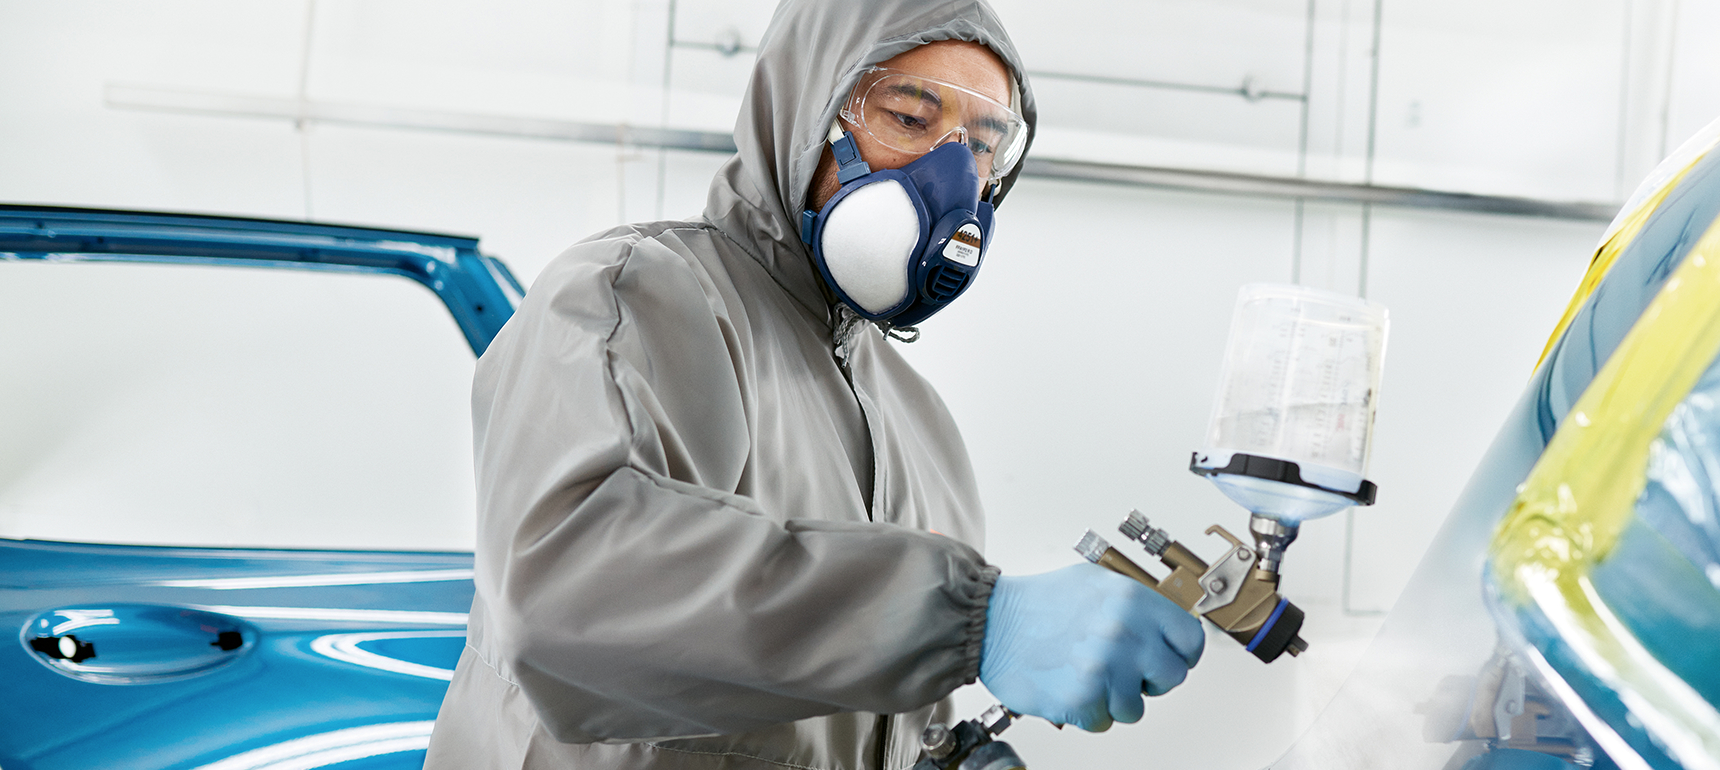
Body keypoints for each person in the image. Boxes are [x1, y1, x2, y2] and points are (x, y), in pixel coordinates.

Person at [423, 0, 1204, 767]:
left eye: (981, 146)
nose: (951, 179)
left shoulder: (920, 424)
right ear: (803, 114)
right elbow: (570, 597)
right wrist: (968, 620)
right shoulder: (637, 296)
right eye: (907, 118)